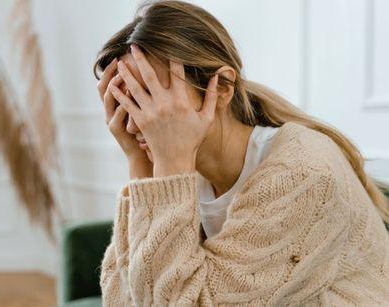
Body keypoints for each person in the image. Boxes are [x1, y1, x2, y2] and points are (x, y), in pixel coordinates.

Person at [92, 0, 389, 305]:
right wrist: (140, 165)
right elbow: (125, 299)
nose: (139, 119)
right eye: (123, 100)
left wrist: (166, 167)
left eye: (151, 95)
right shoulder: (181, 169)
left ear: (220, 87)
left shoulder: (302, 173)